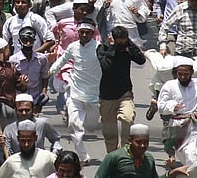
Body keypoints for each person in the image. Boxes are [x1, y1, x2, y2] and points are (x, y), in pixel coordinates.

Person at [49, 20, 103, 164]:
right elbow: (63, 59)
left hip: (93, 95)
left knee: (90, 127)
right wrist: (53, 68)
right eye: (82, 32)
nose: (84, 35)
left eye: (87, 33)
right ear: (78, 32)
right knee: (74, 125)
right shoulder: (73, 47)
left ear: (92, 34)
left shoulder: (99, 48)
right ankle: (83, 157)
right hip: (75, 93)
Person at [97, 26, 146, 152]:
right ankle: (112, 156)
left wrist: (130, 44)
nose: (121, 44)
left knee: (128, 118)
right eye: (119, 41)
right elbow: (106, 66)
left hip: (125, 92)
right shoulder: (102, 48)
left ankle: (125, 149)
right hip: (107, 95)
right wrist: (113, 47)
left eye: (124, 40)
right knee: (110, 132)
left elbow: (141, 60)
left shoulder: (127, 48)